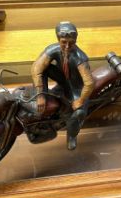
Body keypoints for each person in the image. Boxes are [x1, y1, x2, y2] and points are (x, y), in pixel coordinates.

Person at [31, 21, 94, 150]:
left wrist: (81, 100)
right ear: (58, 39)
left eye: (71, 43)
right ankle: (44, 95)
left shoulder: (80, 57)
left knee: (79, 114)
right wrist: (40, 94)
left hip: (77, 88)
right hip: (64, 79)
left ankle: (71, 135)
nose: (67, 46)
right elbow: (36, 67)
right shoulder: (53, 49)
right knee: (44, 68)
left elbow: (89, 83)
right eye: (63, 42)